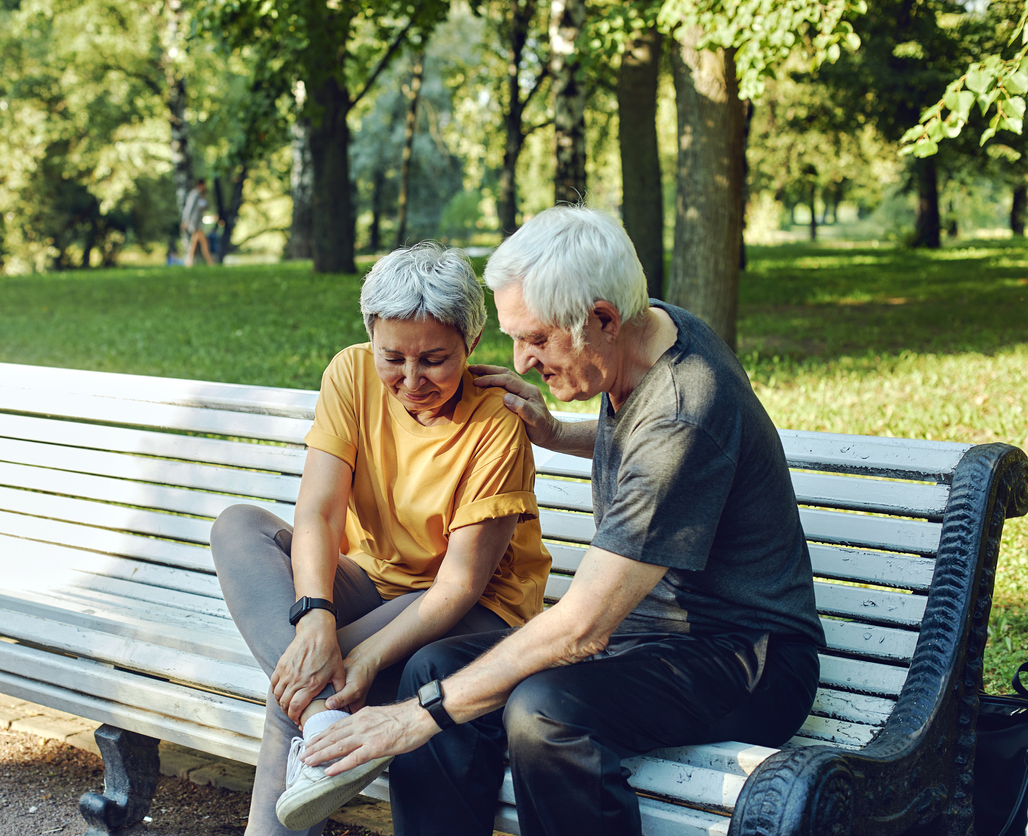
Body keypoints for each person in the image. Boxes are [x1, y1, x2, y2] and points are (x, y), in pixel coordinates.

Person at [298, 205, 826, 836]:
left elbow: (582, 627)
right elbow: (648, 454)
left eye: (538, 339)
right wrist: (557, 432)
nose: (521, 362)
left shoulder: (686, 408)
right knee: (433, 667)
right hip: (650, 636)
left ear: (602, 317)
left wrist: (416, 718)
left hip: (743, 657)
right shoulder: (645, 330)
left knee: (544, 712)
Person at [209, 242, 551, 835]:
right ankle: (322, 724)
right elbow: (316, 512)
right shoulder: (350, 372)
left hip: (470, 607)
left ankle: (313, 725)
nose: (411, 380)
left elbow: (460, 585)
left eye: (435, 360)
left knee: (292, 692)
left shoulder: (497, 421)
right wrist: (314, 619)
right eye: (392, 357)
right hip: (372, 582)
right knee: (238, 527)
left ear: (471, 344)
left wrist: (356, 659)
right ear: (370, 337)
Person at [182, 178, 215, 265]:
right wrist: (185, 220)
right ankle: (210, 262)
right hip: (194, 223)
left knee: (194, 245)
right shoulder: (194, 195)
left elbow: (205, 206)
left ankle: (189, 262)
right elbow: (189, 208)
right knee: (203, 243)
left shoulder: (201, 195)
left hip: (198, 223)